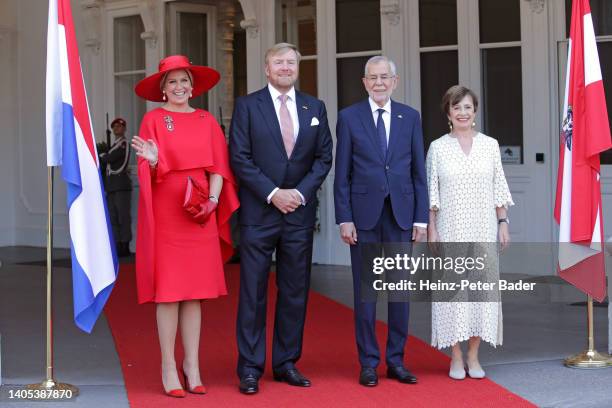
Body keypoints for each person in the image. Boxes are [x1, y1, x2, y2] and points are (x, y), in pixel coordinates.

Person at [131, 55, 239, 397]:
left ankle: (192, 365)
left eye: (184, 81)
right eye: (172, 82)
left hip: (200, 210)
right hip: (167, 211)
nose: (180, 87)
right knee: (169, 292)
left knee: (196, 294)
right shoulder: (154, 120)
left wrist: (212, 203)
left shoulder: (207, 120)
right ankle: (167, 365)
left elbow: (219, 168)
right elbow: (146, 170)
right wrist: (152, 160)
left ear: (193, 86)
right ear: (163, 89)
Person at [229, 42, 332, 395]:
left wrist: (299, 194)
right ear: (267, 68)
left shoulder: (314, 106)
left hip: (299, 214)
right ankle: (250, 367)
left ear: (297, 67)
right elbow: (239, 157)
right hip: (260, 212)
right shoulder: (246, 106)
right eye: (279, 62)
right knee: (253, 293)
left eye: (291, 62)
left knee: (294, 291)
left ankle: (286, 362)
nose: (286, 67)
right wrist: (274, 193)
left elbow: (323, 157)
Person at [333, 56, 428, 387]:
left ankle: (397, 361)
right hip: (363, 217)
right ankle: (369, 363)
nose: (378, 83)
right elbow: (341, 173)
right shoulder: (348, 118)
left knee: (399, 293)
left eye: (384, 77)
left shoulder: (410, 117)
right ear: (364, 82)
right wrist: (344, 218)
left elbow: (419, 172)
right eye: (372, 78)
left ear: (395, 81)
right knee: (367, 295)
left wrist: (421, 218)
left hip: (401, 215)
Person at [426, 85, 513, 380]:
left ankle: (474, 356)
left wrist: (503, 223)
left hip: (483, 228)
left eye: (467, 107)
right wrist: (432, 230)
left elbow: (498, 188)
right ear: (448, 113)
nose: (462, 112)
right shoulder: (437, 148)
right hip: (450, 230)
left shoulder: (490, 145)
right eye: (456, 107)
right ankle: (455, 355)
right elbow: (431, 194)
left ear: (475, 111)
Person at [99, 117, 132, 256]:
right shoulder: (113, 146)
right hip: (112, 185)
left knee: (123, 217)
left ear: (124, 129)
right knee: (113, 217)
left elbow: (109, 158)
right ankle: (117, 245)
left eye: (119, 126)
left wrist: (102, 154)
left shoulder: (123, 144)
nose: (117, 129)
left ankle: (125, 246)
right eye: (115, 127)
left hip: (120, 184)